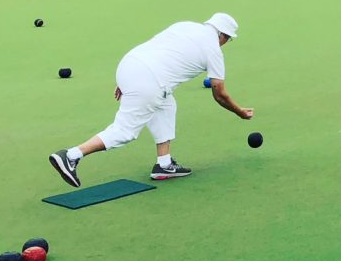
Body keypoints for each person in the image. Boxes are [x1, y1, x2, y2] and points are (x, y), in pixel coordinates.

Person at [49, 14, 251, 188]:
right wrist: (239, 111)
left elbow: (155, 48)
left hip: (130, 65)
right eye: (228, 39)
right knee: (125, 131)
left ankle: (164, 164)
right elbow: (219, 93)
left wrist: (128, 82)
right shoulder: (213, 50)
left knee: (166, 103)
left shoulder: (185, 26)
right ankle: (71, 155)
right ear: (223, 35)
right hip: (149, 81)